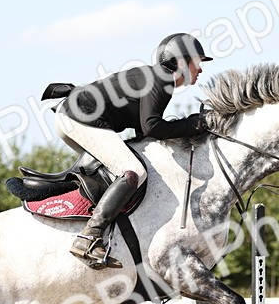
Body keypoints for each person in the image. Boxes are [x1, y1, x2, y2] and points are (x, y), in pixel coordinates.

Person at [53, 32, 213, 269]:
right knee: (133, 171)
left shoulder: (156, 77)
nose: (200, 69)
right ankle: (89, 237)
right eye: (197, 62)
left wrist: (189, 127)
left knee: (128, 168)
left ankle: (109, 230)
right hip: (78, 117)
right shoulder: (162, 79)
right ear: (181, 62)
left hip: (72, 115)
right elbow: (152, 127)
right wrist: (195, 125)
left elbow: (145, 132)